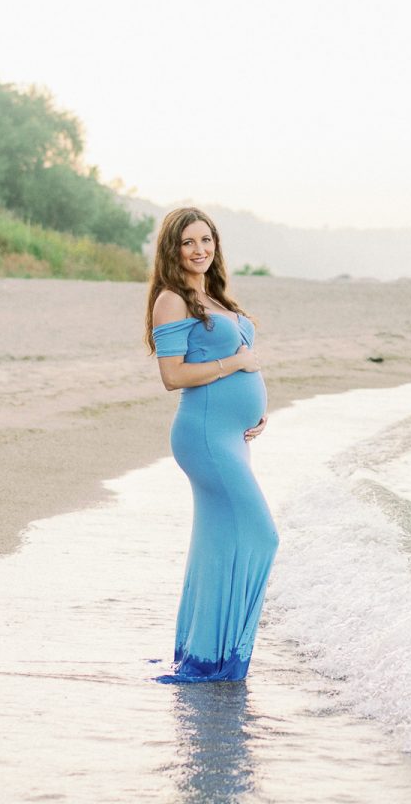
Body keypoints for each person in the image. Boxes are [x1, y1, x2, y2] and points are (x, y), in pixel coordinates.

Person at [146, 206, 279, 682]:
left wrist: (256, 409)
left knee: (217, 541)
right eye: (188, 242)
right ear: (172, 250)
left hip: (231, 437)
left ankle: (204, 653)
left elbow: (242, 360)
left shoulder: (216, 298)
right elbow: (172, 375)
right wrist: (237, 367)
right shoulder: (171, 300)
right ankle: (226, 657)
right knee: (263, 535)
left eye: (206, 240)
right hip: (203, 436)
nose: (199, 250)